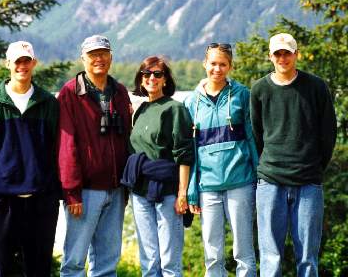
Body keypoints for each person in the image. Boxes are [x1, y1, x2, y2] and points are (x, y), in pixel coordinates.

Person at [0, 41, 60, 277]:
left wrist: (53, 193)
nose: (22, 66)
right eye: (17, 61)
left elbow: (58, 150)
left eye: (26, 60)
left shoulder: (48, 103)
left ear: (34, 63)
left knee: (38, 271)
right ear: (7, 64)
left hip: (40, 202)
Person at [250, 33, 337, 277]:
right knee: (270, 257)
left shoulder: (316, 87)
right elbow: (256, 134)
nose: (283, 58)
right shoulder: (259, 89)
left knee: (308, 258)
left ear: (296, 54)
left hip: (308, 182)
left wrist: (316, 167)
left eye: (287, 52)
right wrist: (268, 165)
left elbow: (328, 132)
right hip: (270, 182)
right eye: (277, 53)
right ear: (270, 56)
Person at [57, 35, 132, 277]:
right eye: (93, 55)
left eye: (103, 54)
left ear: (111, 57)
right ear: (83, 59)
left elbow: (127, 138)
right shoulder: (70, 93)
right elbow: (66, 145)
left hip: (116, 187)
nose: (98, 59)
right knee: (74, 262)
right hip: (85, 191)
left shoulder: (119, 92)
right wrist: (71, 192)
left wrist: (128, 186)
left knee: (107, 263)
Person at [184, 43, 258, 277]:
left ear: (230, 66)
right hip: (208, 187)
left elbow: (252, 139)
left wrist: (259, 178)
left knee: (243, 250)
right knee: (212, 253)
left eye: (222, 64)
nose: (217, 68)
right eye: (213, 63)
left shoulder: (242, 95)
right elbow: (191, 151)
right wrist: (192, 190)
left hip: (240, 182)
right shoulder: (190, 103)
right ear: (205, 64)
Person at [126, 56, 193, 277]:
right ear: (141, 79)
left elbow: (184, 153)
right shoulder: (141, 110)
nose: (151, 78)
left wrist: (183, 193)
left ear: (165, 79)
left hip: (167, 191)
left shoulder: (175, 109)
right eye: (146, 74)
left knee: (169, 260)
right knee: (149, 259)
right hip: (140, 191)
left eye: (157, 74)